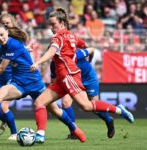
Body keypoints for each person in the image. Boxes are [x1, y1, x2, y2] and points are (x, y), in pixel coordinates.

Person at [30, 8, 134, 143]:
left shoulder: (58, 38)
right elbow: (83, 45)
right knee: (39, 102)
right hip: (63, 78)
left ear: (61, 23)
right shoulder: (72, 36)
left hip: (69, 76)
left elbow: (51, 52)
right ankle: (40, 135)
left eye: (53, 24)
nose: (51, 28)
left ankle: (119, 110)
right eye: (50, 24)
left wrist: (37, 62)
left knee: (86, 106)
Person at [0, 23, 84, 143]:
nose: (0, 38)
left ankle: (75, 130)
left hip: (34, 82)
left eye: (2, 35)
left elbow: (1, 68)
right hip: (18, 83)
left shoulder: (12, 44)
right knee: (0, 94)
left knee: (54, 110)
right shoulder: (1, 44)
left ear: (7, 32)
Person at [51, 48, 115, 139]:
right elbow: (53, 83)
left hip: (88, 78)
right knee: (65, 102)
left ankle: (108, 120)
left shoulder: (76, 54)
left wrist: (90, 62)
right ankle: (74, 132)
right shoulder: (54, 64)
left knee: (93, 107)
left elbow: (92, 50)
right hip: (73, 80)